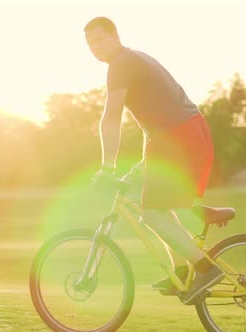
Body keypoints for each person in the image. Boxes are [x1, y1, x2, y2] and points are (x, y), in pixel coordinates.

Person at [84, 17, 222, 304]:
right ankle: (182, 270)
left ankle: (206, 270)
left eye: (99, 39)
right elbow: (157, 120)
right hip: (179, 137)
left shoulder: (120, 65)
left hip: (179, 138)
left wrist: (107, 168)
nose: (95, 48)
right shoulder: (134, 58)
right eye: (89, 44)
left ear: (115, 35)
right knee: (155, 208)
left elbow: (111, 119)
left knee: (153, 214)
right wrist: (140, 168)